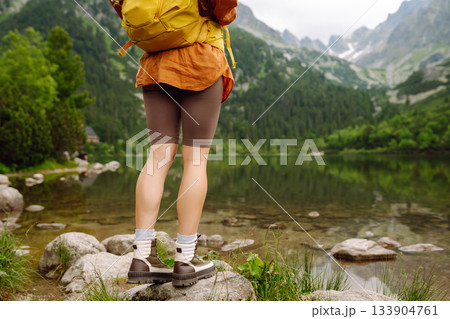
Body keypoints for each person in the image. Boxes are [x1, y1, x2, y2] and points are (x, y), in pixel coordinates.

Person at [127, 0, 238, 287]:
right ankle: (185, 259)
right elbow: (225, 11)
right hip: (200, 60)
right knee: (196, 159)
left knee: (158, 155)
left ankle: (141, 256)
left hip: (155, 63)